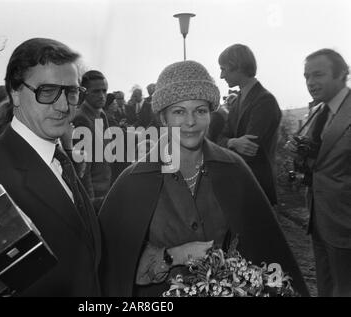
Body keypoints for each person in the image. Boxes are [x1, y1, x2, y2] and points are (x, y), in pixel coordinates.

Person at [99, 60, 309, 297]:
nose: (190, 122)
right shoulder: (133, 182)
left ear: (210, 115)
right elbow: (112, 267)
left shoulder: (234, 169)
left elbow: (267, 251)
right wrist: (173, 256)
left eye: (200, 110)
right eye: (179, 111)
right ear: (163, 118)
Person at [0, 38, 101, 296]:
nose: (64, 106)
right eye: (47, 91)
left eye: (72, 92)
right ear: (14, 93)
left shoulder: (60, 157)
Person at [301, 49, 351, 296]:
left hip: (346, 224)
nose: (311, 82)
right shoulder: (318, 112)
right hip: (318, 218)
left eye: (318, 74)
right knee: (326, 286)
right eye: (307, 76)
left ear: (342, 74)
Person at [216, 44, 281, 206]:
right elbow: (220, 138)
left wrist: (227, 143)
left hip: (257, 186)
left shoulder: (264, 100)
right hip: (242, 183)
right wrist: (233, 142)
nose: (221, 75)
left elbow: (250, 150)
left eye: (223, 69)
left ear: (236, 66)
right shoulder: (238, 100)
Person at [73, 70, 112, 213]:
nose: (102, 95)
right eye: (96, 91)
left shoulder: (101, 114)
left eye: (104, 90)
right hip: (94, 196)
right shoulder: (81, 119)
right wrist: (90, 206)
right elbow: (83, 169)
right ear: (85, 92)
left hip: (106, 189)